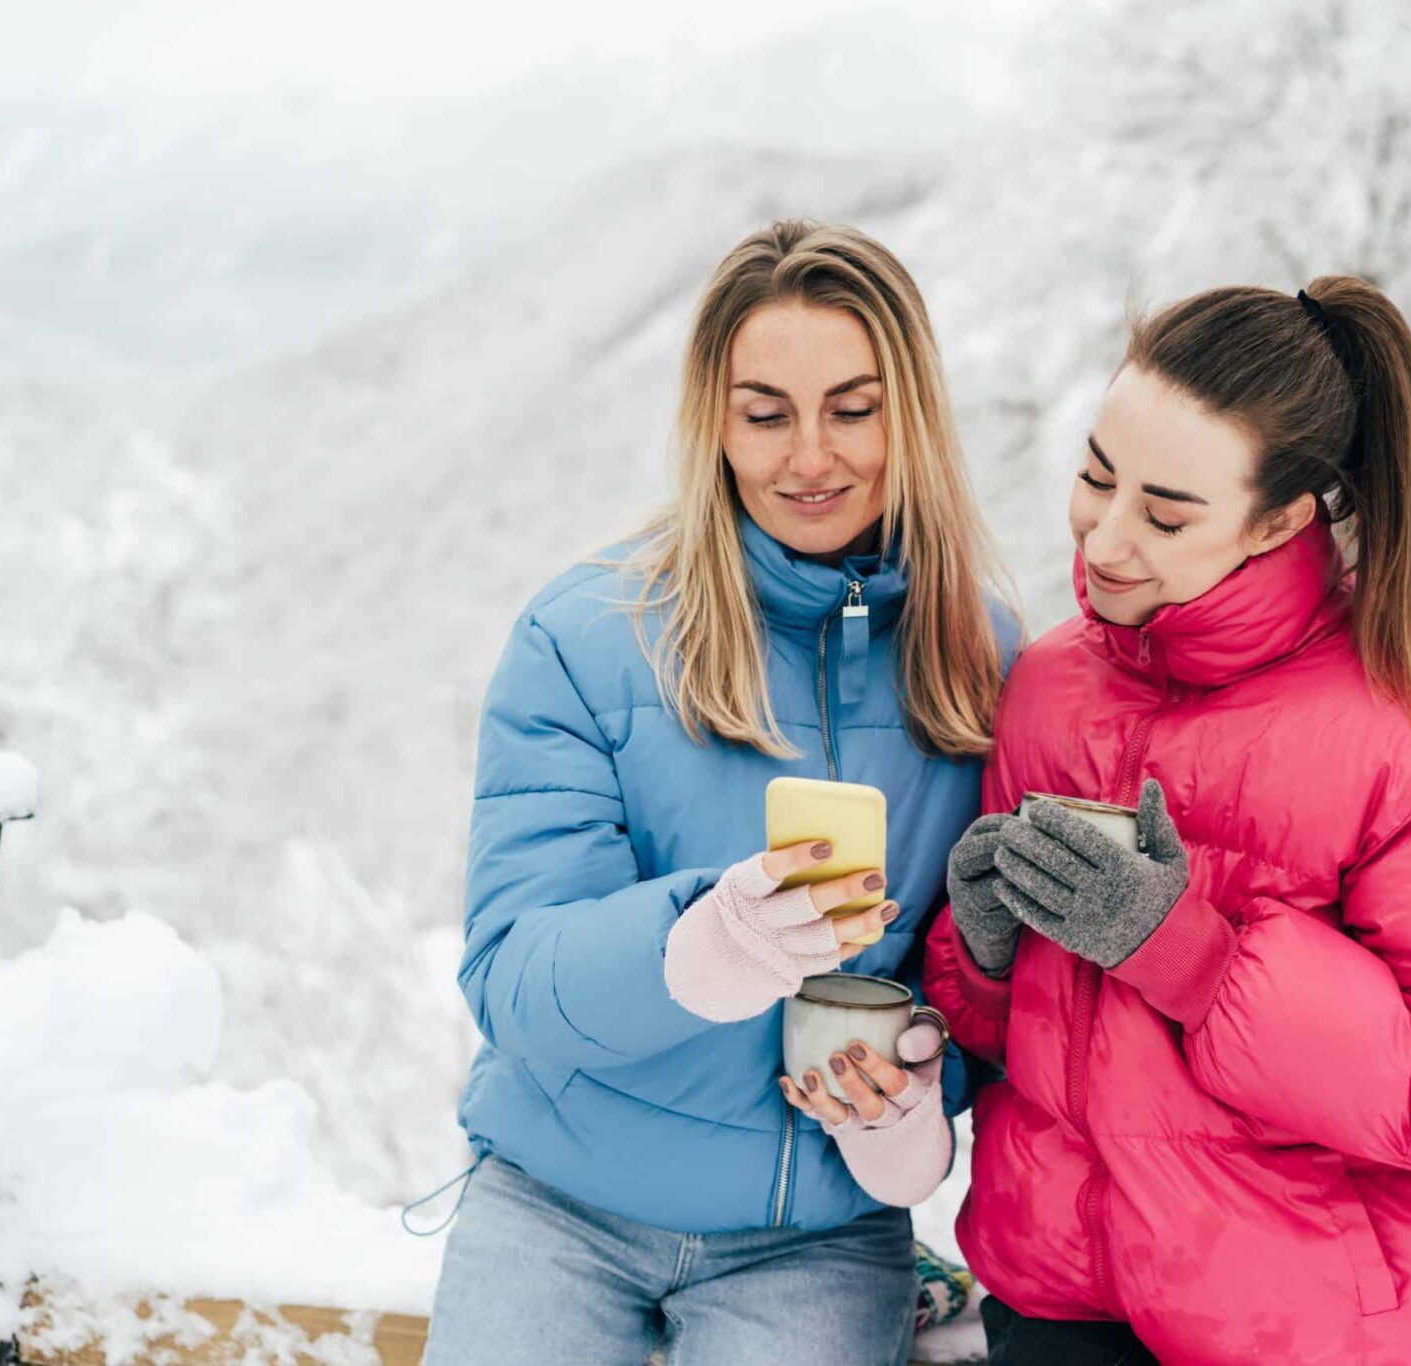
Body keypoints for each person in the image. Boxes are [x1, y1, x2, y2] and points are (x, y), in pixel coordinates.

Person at [923, 278, 1411, 1365]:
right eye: (1094, 475)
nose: (1105, 535)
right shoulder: (1045, 689)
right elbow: (1005, 1037)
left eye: (1166, 512)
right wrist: (981, 951)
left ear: (1280, 516)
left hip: (1327, 1324)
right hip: (1068, 1298)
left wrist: (1186, 952)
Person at [422, 219, 1021, 1366]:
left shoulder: (979, 661)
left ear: (912, 416)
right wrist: (697, 946)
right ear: (714, 425)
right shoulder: (585, 638)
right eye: (764, 414)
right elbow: (511, 975)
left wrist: (908, 1104)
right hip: (557, 1206)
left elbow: (979, 981)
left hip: (811, 1242)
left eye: (852, 409)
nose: (809, 456)